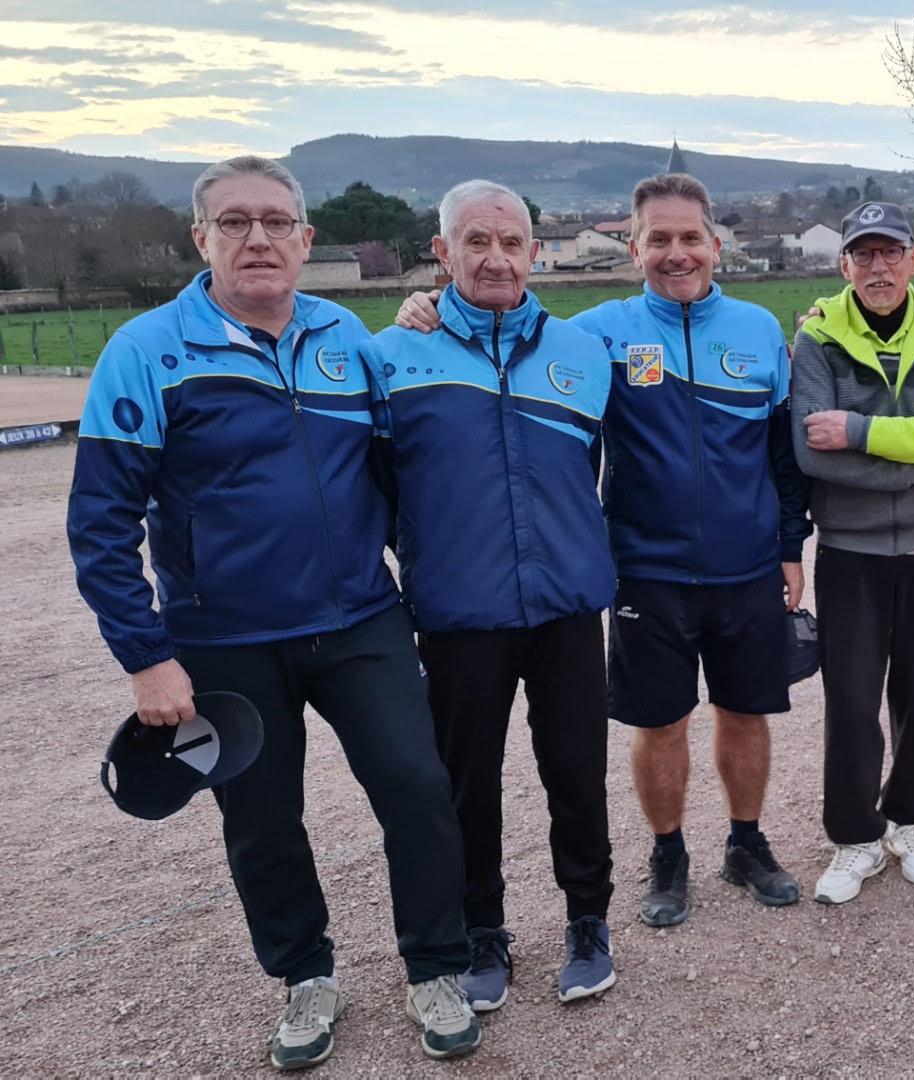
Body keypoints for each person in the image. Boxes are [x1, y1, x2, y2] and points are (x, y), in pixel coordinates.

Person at [67, 156, 479, 1070]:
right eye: (234, 222)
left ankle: (436, 967)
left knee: (417, 789)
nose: (257, 238)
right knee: (260, 818)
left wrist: (422, 313)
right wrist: (146, 657)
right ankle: (305, 976)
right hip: (223, 638)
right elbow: (99, 522)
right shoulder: (148, 349)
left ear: (305, 237)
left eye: (276, 222)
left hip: (362, 621)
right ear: (200, 238)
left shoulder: (349, 338)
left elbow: (398, 473)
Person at [395, 172, 811, 927]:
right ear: (634, 245)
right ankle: (669, 854)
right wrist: (424, 306)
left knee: (747, 714)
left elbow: (783, 457)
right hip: (643, 570)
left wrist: (790, 547)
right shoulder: (596, 334)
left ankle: (746, 844)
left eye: (690, 238)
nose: (676, 253)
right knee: (661, 723)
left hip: (748, 565)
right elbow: (504, 335)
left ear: (716, 246)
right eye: (659, 239)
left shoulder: (758, 332)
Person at [360, 179, 618, 1013]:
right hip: (460, 614)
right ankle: (483, 932)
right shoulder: (391, 355)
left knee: (576, 773)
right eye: (476, 242)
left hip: (570, 608)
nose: (496, 258)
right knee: (464, 786)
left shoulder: (584, 352)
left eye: (512, 243)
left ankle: (588, 919)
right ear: (441, 254)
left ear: (535, 251)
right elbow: (374, 490)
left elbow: (594, 472)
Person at [790, 202, 914, 904]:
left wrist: (862, 430)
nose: (877, 267)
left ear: (913, 261)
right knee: (851, 698)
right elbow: (812, 454)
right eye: (862, 255)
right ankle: (855, 837)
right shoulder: (817, 340)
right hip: (851, 549)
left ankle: (910, 821)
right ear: (844, 266)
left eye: (889, 253)